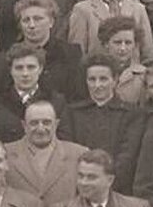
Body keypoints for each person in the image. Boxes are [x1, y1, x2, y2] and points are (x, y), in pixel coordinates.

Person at [58, 52, 146, 192]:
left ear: (115, 80)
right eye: (92, 79)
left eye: (103, 79)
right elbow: (68, 153)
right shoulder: (71, 113)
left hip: (118, 189)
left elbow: (127, 158)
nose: (97, 85)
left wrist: (105, 185)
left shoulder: (131, 114)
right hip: (79, 188)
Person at [3, 100, 86, 207]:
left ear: (56, 124)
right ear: (24, 125)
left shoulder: (79, 154)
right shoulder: (5, 154)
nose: (40, 129)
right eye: (34, 123)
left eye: (46, 123)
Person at [0, 43, 65, 143]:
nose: (25, 74)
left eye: (31, 67)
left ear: (40, 69)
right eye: (19, 68)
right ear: (10, 70)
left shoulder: (56, 101)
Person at [100, 16, 148, 105]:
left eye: (128, 43)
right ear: (106, 43)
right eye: (117, 42)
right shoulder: (93, 72)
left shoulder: (144, 75)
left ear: (135, 45)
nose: (123, 48)